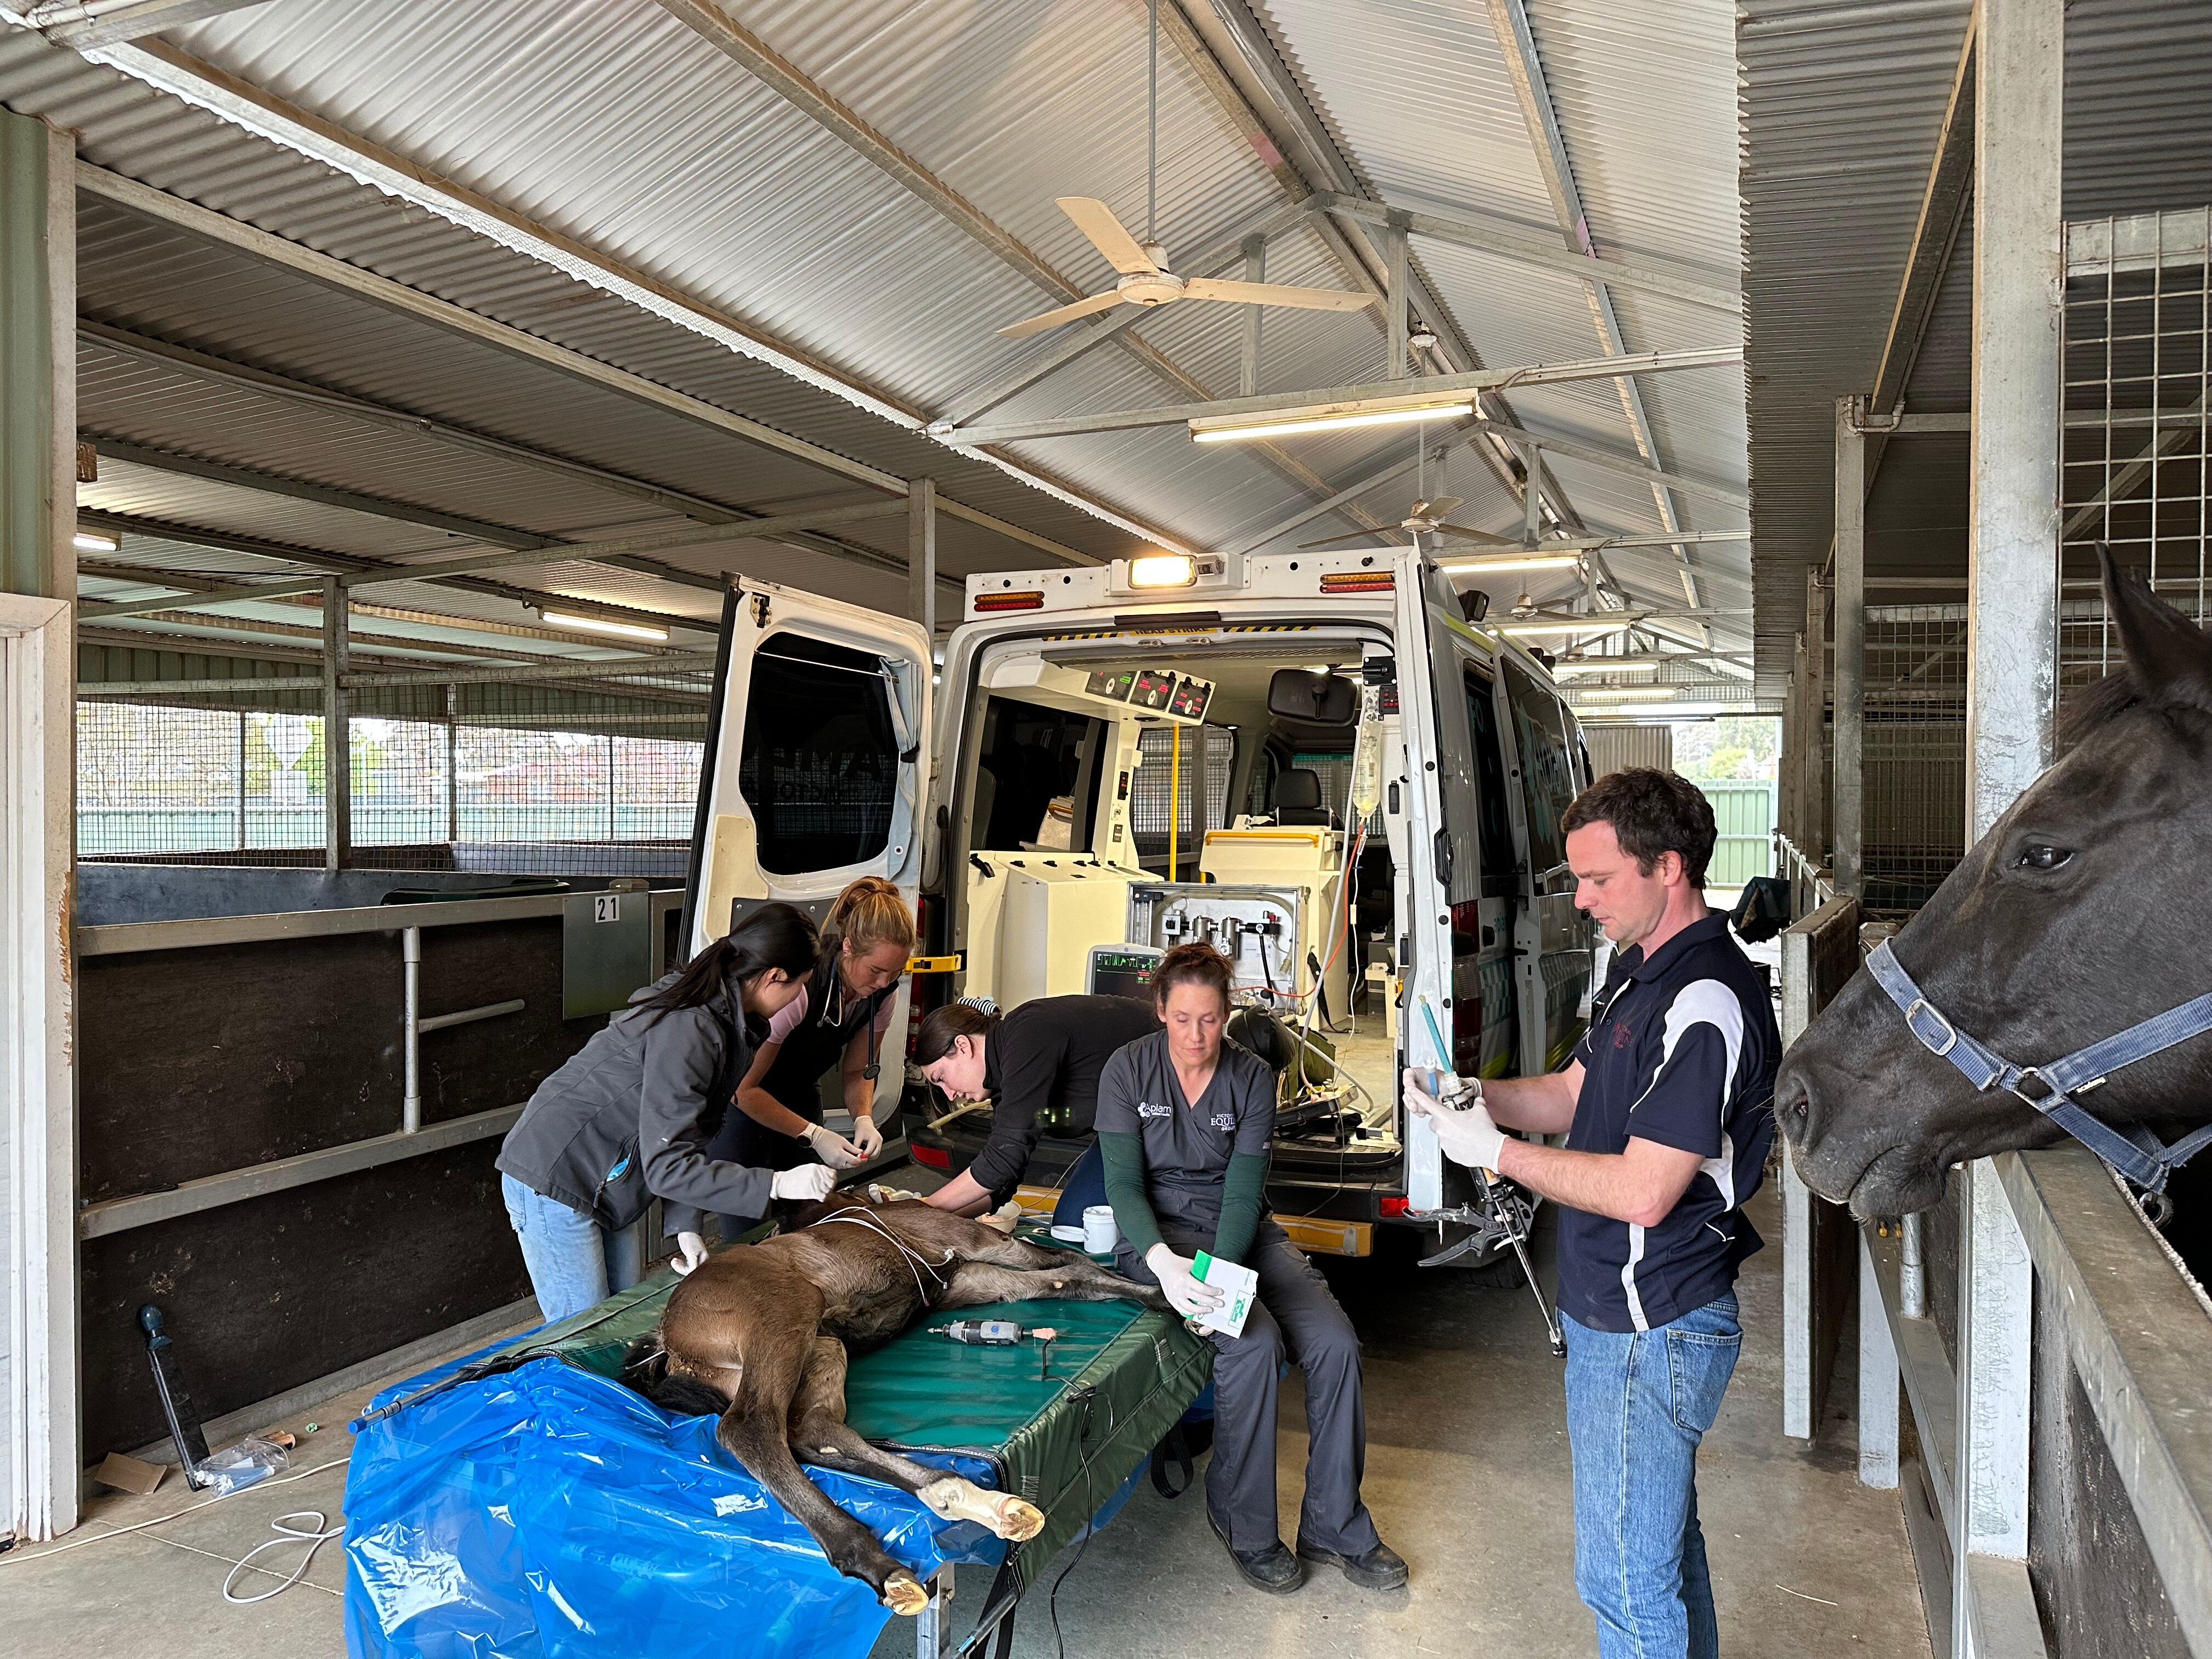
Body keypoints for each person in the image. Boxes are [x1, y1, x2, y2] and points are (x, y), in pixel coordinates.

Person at [1406, 766, 1779, 1659]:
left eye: (1598, 878)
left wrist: (1490, 1153)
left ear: (1670, 869)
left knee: (1620, 1576)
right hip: (1618, 1311)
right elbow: (1574, 1094)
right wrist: (1476, 1096)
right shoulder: (1636, 969)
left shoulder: (1705, 999)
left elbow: (1647, 1188)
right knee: (1659, 1554)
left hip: (1653, 1320)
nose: (1579, 900)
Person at [1096, 943, 1404, 1596]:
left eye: (1208, 1019)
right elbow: (1122, 1184)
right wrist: (1165, 1264)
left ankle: (1335, 1523)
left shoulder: (1251, 1077)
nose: (1195, 1035)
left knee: (1335, 1343)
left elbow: (1242, 1194)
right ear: (1160, 1011)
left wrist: (1223, 1278)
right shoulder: (1127, 1069)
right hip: (1158, 1236)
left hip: (1240, 1233)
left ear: (1227, 1014)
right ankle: (1243, 1522)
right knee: (1255, 1343)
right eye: (1181, 1018)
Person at [495, 901, 840, 1323]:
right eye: (800, 984)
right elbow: (667, 1167)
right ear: (773, 977)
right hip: (556, 1170)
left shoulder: (728, 1018)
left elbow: (686, 1132)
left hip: (608, 1175)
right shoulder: (692, 1026)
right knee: (584, 1333)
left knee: (623, 1319)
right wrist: (776, 1183)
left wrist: (685, 1222)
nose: (800, 997)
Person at [706, 877, 913, 1233]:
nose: (884, 982)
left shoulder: (883, 993)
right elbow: (745, 1089)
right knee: (747, 1229)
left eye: (895, 973)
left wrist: (864, 1118)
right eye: (876, 970)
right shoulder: (801, 989)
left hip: (799, 1092)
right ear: (848, 947)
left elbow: (858, 1069)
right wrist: (815, 1135)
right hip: (741, 1101)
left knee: (807, 1218)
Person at [912, 994, 1162, 1216]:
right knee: (1073, 1223)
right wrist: (940, 1221)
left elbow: (1002, 1160)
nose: (950, 1095)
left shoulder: (1027, 1033)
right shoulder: (1006, 1088)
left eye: (941, 1078)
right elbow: (1003, 1182)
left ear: (962, 1046)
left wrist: (917, 1213)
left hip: (1171, 1106)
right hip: (1128, 1125)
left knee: (1082, 1227)